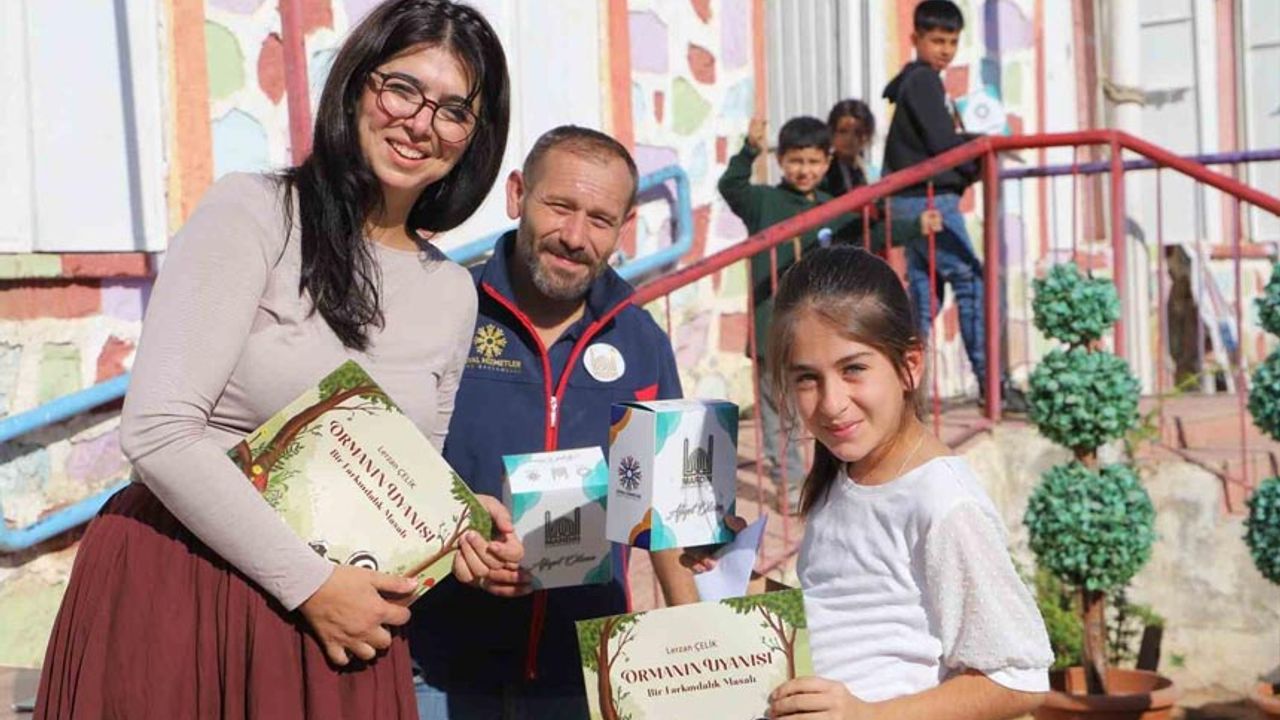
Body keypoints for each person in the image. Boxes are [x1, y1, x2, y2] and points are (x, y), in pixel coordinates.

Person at [34, 2, 518, 718]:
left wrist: (457, 527)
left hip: (341, 628)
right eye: (403, 89)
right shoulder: (255, 213)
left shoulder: (451, 291)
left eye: (454, 110)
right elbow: (158, 431)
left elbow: (402, 470)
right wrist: (310, 585)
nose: (421, 123)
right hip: (192, 591)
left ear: (476, 138)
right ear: (356, 86)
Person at [409, 125, 696, 719]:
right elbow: (384, 467)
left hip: (584, 679)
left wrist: (701, 643)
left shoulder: (642, 340)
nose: (574, 236)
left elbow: (668, 510)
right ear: (518, 195)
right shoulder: (440, 311)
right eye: (560, 206)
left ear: (625, 228)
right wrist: (450, 536)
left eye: (600, 219)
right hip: (439, 671)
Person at [761, 247, 1052, 719]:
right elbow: (844, 615)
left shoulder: (942, 503)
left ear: (910, 365)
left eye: (854, 369)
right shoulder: (843, 473)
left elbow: (1018, 678)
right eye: (808, 379)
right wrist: (739, 578)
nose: (832, 402)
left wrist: (868, 715)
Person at [718, 115, 852, 508]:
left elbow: (870, 230)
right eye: (795, 161)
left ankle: (835, 477)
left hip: (823, 328)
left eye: (813, 162)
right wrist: (749, 150)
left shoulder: (833, 206)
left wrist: (915, 225)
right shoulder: (763, 202)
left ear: (827, 162)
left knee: (829, 402)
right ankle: (791, 482)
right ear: (780, 161)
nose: (804, 170)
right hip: (772, 326)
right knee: (777, 409)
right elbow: (731, 187)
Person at [882, 0, 997, 402]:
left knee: (924, 296)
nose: (945, 50)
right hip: (926, 201)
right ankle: (991, 383)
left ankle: (901, 390)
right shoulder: (923, 82)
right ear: (915, 39)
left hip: (912, 199)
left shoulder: (919, 82)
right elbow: (943, 145)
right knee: (970, 280)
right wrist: (977, 156)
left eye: (952, 42)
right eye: (937, 41)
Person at [821, 98, 876, 199]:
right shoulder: (822, 173)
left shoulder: (872, 174)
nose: (850, 139)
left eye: (858, 132)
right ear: (831, 133)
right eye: (843, 131)